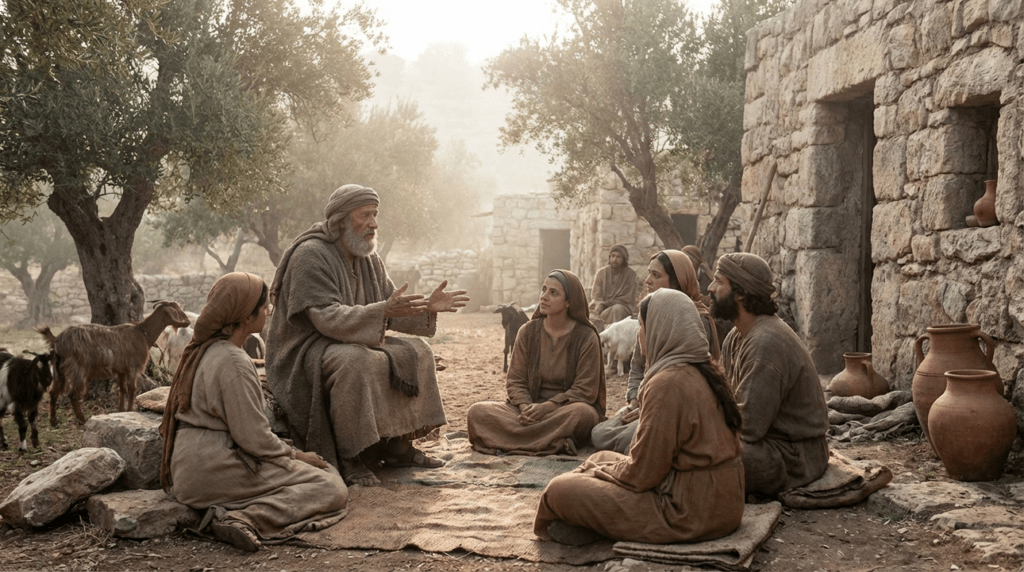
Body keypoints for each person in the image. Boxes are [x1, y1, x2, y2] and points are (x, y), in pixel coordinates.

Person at [265, 184, 469, 487]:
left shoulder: (369, 258)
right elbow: (326, 317)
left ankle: (398, 447)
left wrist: (427, 308)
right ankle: (351, 457)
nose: (374, 223)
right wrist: (381, 312)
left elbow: (389, 307)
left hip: (352, 338)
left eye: (375, 215)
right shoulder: (310, 255)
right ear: (340, 221)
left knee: (418, 350)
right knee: (355, 361)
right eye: (365, 215)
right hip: (305, 350)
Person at [534, 289, 744, 545]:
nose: (639, 334)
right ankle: (585, 519)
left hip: (688, 511)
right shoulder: (702, 367)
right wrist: (600, 468)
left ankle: (577, 519)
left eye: (643, 326)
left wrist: (601, 473)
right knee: (598, 457)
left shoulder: (667, 383)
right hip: (722, 503)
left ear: (660, 328)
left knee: (559, 490)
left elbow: (643, 473)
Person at [160, 272, 348, 552]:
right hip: (214, 468)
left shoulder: (206, 350)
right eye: (264, 308)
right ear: (246, 317)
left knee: (314, 473)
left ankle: (234, 509)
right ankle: (244, 518)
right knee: (331, 485)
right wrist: (296, 455)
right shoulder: (233, 362)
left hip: (190, 470)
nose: (268, 313)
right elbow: (254, 438)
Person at [709, 252, 829, 496]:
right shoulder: (735, 336)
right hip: (762, 443)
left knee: (704, 457)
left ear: (740, 293)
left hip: (793, 456)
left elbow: (748, 426)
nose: (710, 288)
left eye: (719, 281)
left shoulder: (766, 342)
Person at [591, 250, 720, 454]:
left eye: (656, 275)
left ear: (677, 282)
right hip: (645, 400)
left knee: (630, 439)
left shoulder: (696, 319)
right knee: (600, 433)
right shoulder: (648, 311)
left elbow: (693, 380)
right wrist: (634, 399)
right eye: (649, 273)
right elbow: (637, 367)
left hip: (676, 408)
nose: (648, 281)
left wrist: (648, 407)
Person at [467, 270, 605, 456]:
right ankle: (554, 441)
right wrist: (526, 408)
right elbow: (515, 380)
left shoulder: (586, 337)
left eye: (553, 293)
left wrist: (547, 407)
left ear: (569, 302)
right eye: (543, 290)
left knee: (584, 414)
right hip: (528, 411)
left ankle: (518, 440)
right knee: (477, 412)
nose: (544, 297)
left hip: (563, 410)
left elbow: (585, 389)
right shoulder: (528, 331)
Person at [589, 244, 639, 334]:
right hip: (600, 306)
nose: (614, 259)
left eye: (618, 257)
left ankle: (614, 337)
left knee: (617, 310)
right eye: (613, 256)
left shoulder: (631, 275)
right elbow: (596, 294)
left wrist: (605, 304)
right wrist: (600, 304)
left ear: (624, 259)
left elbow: (627, 297)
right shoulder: (601, 273)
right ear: (609, 257)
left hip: (622, 306)